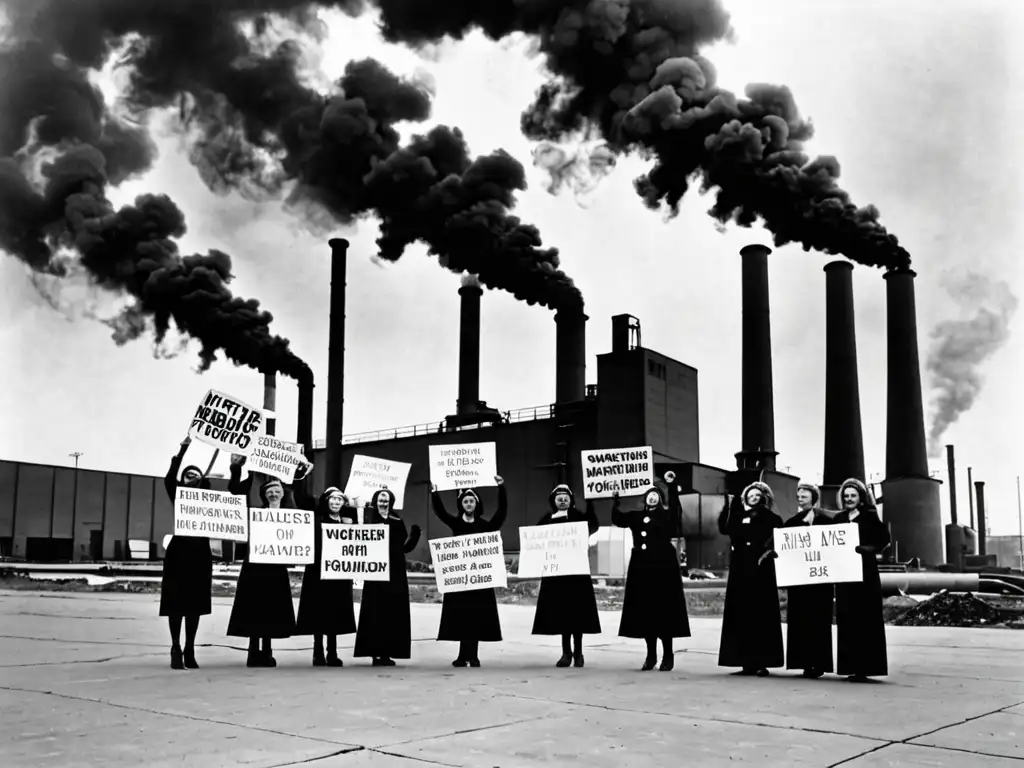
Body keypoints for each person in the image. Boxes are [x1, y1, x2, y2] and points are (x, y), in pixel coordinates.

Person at [227, 454, 314, 667]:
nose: (273, 493)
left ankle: (267, 651)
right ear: (264, 495)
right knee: (254, 609)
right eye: (269, 491)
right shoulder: (256, 513)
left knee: (270, 610)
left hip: (275, 568)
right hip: (255, 567)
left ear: (282, 494)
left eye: (277, 490)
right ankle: (252, 651)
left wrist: (301, 474)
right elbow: (234, 489)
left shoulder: (291, 515)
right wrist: (237, 468)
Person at [612, 483, 691, 671]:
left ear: (660, 499)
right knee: (646, 611)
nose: (653, 497)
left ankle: (668, 655)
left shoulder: (666, 516)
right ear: (645, 498)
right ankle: (651, 656)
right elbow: (619, 520)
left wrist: (672, 489)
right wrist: (615, 502)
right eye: (650, 494)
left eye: (656, 495)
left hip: (663, 567)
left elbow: (675, 513)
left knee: (663, 611)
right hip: (642, 567)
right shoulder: (636, 516)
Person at [430, 476, 507, 667]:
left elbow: (501, 513)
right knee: (461, 616)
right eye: (465, 501)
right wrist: (434, 492)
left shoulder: (485, 526)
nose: (468, 503)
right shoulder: (457, 524)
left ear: (477, 504)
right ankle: (462, 655)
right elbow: (441, 512)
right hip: (460, 579)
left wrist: (501, 488)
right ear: (461, 504)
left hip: (479, 579)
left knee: (476, 616)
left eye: (472, 501)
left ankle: (473, 655)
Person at [717, 480, 785, 677]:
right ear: (745, 496)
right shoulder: (737, 515)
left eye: (758, 495)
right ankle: (744, 661)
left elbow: (776, 537)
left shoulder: (770, 517)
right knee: (741, 614)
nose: (753, 498)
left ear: (764, 498)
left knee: (760, 615)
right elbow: (724, 528)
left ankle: (762, 662)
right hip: (740, 568)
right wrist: (727, 505)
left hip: (760, 569)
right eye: (751, 495)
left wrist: (768, 551)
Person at [530, 484, 602, 668]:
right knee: (562, 613)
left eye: (566, 497)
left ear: (571, 500)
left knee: (577, 613)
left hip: (576, 574)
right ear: (553, 501)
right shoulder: (547, 519)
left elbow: (593, 525)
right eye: (559, 497)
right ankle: (566, 653)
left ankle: (578, 653)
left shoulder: (579, 517)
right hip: (557, 574)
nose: (562, 500)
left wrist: (591, 503)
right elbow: (536, 540)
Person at [159, 436, 213, 670]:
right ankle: (175, 647)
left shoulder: (210, 501)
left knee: (195, 604)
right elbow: (170, 479)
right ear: (183, 480)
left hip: (201, 552)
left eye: (198, 476)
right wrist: (182, 451)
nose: (194, 479)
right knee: (176, 602)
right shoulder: (178, 494)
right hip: (179, 551)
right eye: (190, 475)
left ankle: (190, 648)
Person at [353, 488, 421, 666]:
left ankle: (387, 653)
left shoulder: (397, 520)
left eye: (387, 499)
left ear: (391, 501)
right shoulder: (367, 518)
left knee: (392, 612)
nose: (383, 502)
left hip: (395, 571)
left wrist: (415, 536)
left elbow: (403, 548)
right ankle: (374, 652)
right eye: (380, 499)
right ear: (375, 501)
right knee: (374, 611)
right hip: (375, 571)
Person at [834, 477, 890, 683]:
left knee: (866, 619)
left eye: (853, 496)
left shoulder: (870, 517)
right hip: (845, 576)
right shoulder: (838, 518)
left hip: (865, 574)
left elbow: (883, 540)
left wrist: (866, 549)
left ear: (860, 497)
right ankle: (850, 666)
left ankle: (866, 667)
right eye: (846, 496)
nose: (849, 499)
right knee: (847, 619)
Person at [294, 487, 358, 667]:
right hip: (318, 572)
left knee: (335, 612)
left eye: (340, 500)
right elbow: (301, 497)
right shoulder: (316, 518)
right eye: (333, 499)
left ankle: (332, 652)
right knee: (318, 611)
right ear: (326, 501)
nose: (336, 503)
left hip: (339, 573)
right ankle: (318, 652)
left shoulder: (348, 521)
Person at [782, 482, 835, 679]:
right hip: (799, 582)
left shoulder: (826, 520)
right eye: (799, 496)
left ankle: (819, 663)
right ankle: (803, 663)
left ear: (813, 497)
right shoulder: (792, 522)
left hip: (820, 580)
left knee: (819, 621)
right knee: (800, 621)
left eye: (804, 496)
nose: (800, 498)